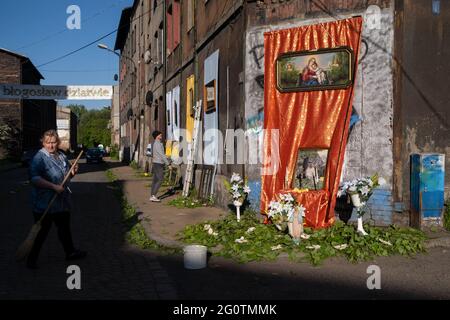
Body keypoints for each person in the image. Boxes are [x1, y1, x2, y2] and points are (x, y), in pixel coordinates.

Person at [27, 129, 86, 269]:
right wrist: (53, 186)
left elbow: (66, 177)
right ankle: (31, 259)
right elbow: (34, 179)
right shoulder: (39, 158)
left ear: (58, 142)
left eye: (54, 142)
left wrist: (72, 172)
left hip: (61, 202)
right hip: (45, 203)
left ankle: (70, 252)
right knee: (41, 232)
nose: (51, 145)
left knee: (64, 228)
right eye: (48, 142)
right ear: (43, 142)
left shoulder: (60, 156)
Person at [150, 130, 170, 202]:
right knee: (160, 179)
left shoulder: (155, 143)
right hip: (158, 163)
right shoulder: (158, 144)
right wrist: (168, 164)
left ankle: (152, 195)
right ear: (157, 136)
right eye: (160, 135)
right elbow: (161, 155)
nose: (161, 135)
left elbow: (158, 154)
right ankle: (153, 195)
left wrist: (167, 157)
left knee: (155, 180)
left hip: (156, 163)